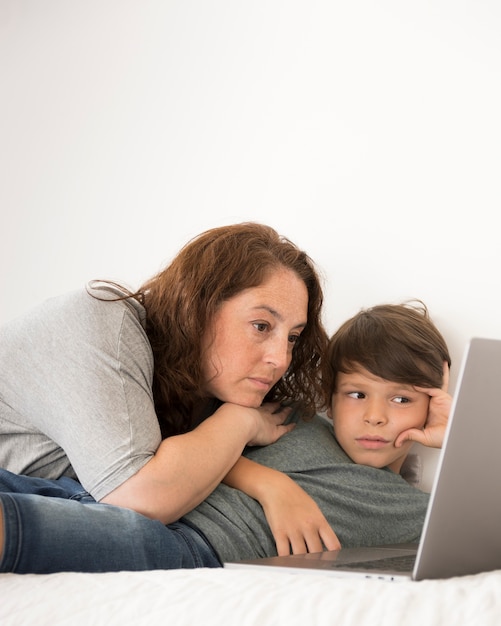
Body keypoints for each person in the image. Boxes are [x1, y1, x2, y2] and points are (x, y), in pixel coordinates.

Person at [0, 300, 452, 572]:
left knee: (43, 529)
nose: (374, 417)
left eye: (401, 400)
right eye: (356, 394)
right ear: (330, 397)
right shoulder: (292, 418)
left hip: (193, 544)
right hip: (119, 492)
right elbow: (188, 451)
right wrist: (268, 484)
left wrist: (454, 436)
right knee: (35, 491)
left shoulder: (416, 513)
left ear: (432, 404)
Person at [0, 222, 340, 570]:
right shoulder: (100, 321)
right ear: (197, 306)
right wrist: (240, 421)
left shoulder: (206, 385)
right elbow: (137, 499)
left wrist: (268, 482)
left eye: (293, 337)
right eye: (261, 326)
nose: (280, 359)